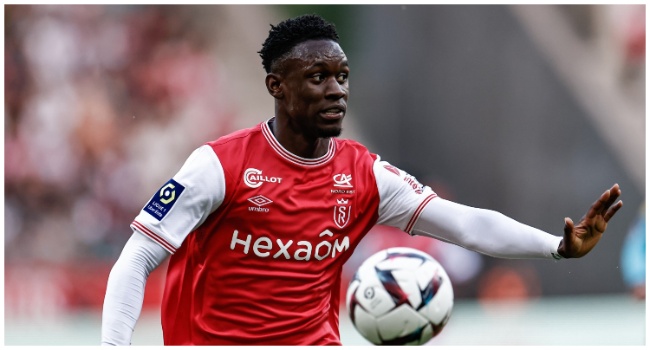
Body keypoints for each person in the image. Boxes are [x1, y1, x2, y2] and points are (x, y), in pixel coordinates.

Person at [101, 14, 623, 346]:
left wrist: (557, 247)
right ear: (276, 86)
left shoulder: (364, 174)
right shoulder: (218, 165)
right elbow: (136, 258)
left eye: (343, 77)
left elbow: (465, 225)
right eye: (318, 78)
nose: (336, 91)